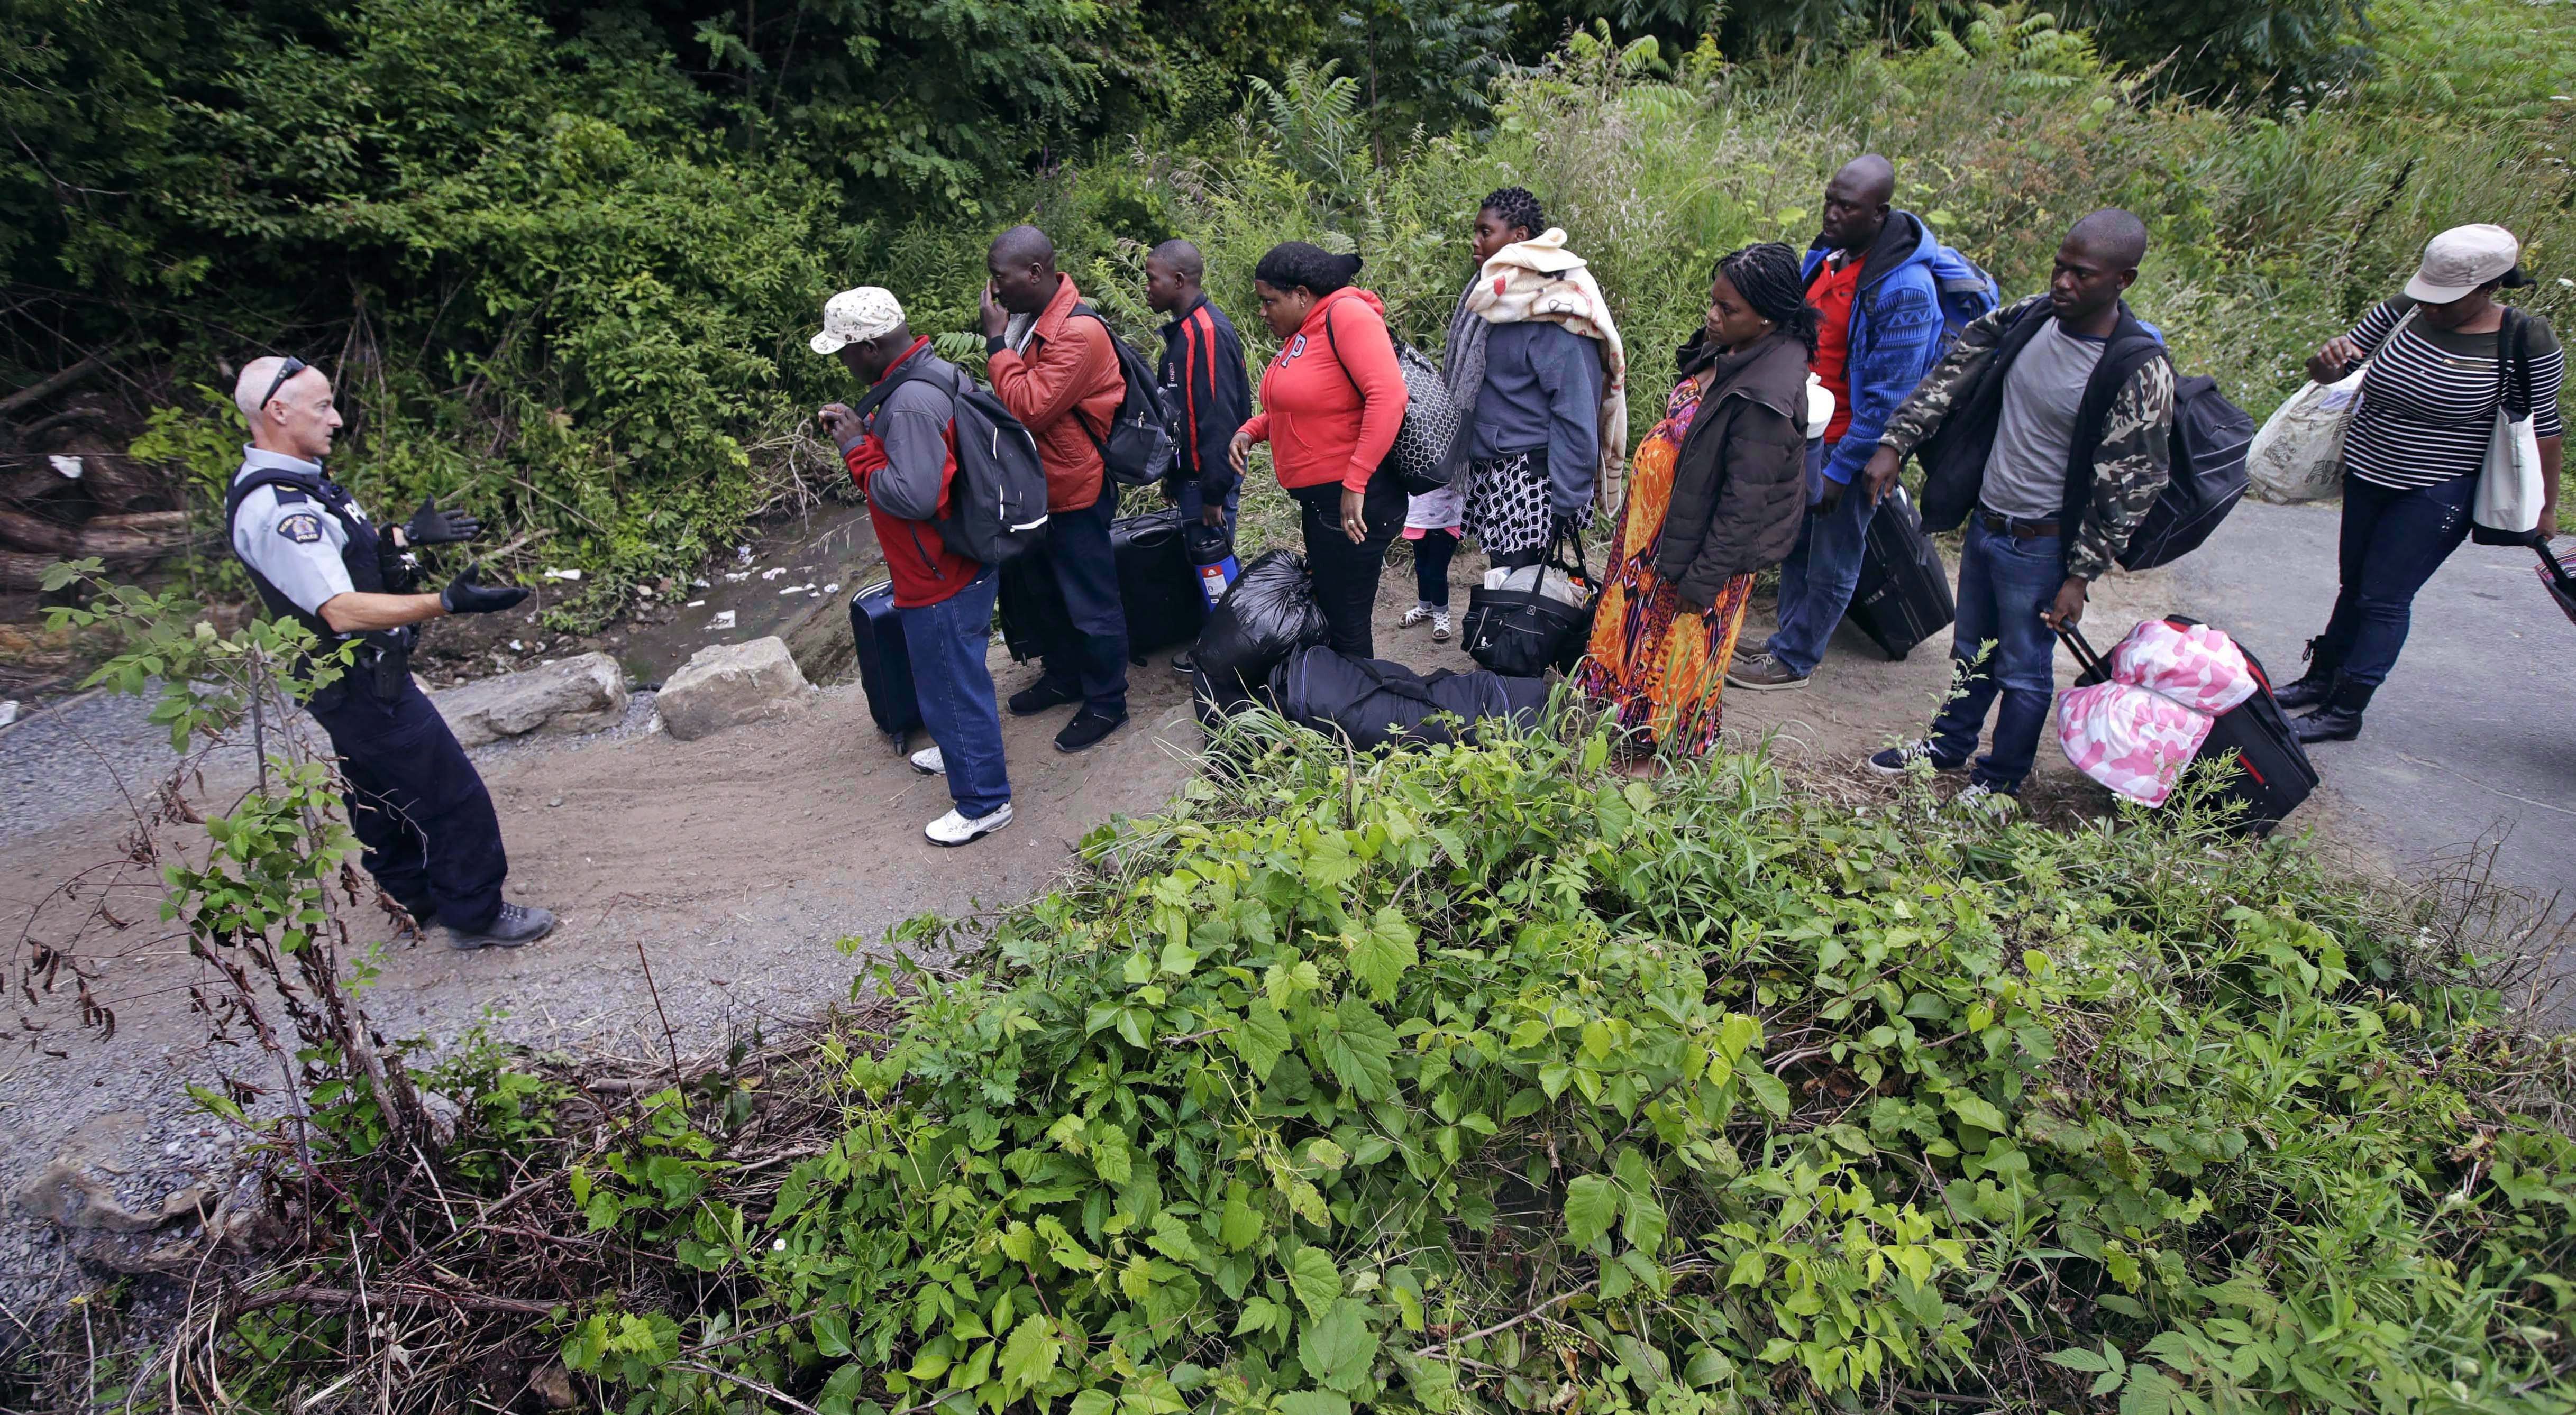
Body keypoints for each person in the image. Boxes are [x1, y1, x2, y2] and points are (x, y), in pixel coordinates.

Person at [222, 356, 556, 949]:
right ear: (278, 411)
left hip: (343, 681)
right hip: (359, 681)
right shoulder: (281, 508)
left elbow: (335, 559)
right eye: (322, 406)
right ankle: (475, 915)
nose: (337, 418)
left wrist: (401, 538)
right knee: (451, 793)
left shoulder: (297, 481)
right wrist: (447, 602)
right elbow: (339, 608)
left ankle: (418, 900)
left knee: (377, 793)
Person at [1858, 209, 2176, 810]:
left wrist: (2079, 576)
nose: (2063, 282)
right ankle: (1948, 747)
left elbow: (2132, 483)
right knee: (1971, 650)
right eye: (2060, 266)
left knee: (2025, 671)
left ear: (2122, 281)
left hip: (2044, 545)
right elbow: (1951, 372)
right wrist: (1895, 442)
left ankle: (2000, 779)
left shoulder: (2135, 368)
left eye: (2081, 274)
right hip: (1989, 522)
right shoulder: (2030, 319)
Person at [2272, 224, 2563, 743]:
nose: (2432, 308)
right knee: (2354, 584)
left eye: (2446, 301)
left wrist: (2544, 508)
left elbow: (2543, 427)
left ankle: (2346, 710)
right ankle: (2320, 680)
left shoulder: (2524, 338)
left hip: (2439, 488)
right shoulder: (2403, 308)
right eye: (2428, 295)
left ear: (2488, 287)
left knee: (2385, 597)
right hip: (2368, 470)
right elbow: (2333, 372)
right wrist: (2323, 365)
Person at [1574, 245, 1813, 761]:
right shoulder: (1730, 349)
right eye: (1714, 302)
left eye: (1728, 309)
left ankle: (1654, 760)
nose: (1712, 315)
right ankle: (1627, 725)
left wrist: (1701, 581)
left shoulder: (1766, 398)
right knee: (1644, 642)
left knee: (1676, 653)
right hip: (1661, 533)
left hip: (1700, 554)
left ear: (1768, 317)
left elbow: (1741, 507)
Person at [1732, 155, 1956, 692]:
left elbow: (1891, 397)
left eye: (1846, 206)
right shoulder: (1830, 255)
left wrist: (1846, 468)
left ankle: (1796, 660)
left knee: (1834, 553)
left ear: (1879, 212)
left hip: (1847, 444)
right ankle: (1787, 638)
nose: (1831, 212)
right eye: (1829, 199)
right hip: (1807, 432)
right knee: (1796, 542)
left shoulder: (1904, 290)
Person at [812, 288, 1013, 846]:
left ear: (871, 347)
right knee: (958, 674)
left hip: (939, 571)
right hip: (963, 557)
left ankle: (983, 802)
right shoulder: (933, 372)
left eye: (845, 352)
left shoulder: (908, 404)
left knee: (949, 684)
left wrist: (857, 448)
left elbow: (915, 496)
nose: (843, 363)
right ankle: (961, 754)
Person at [980, 224, 1131, 754]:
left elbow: (1031, 406)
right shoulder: (1033, 317)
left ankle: (1108, 701)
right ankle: (1065, 676)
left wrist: (996, 343)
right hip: (1041, 483)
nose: (993, 291)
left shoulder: (1075, 333)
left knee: (1090, 599)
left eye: (1000, 278)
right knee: (1047, 591)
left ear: (1035, 273)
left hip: (1078, 483)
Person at [1226, 242, 1408, 657]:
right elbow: (1303, 407)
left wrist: (1356, 479)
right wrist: (1251, 431)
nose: (1263, 311)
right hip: (1326, 502)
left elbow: (1389, 396)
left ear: (1302, 294)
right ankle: (1347, 701)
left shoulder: (1347, 316)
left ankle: (1362, 710)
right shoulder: (1304, 331)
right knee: (1333, 611)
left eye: (1270, 301)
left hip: (1355, 502)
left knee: (1347, 624)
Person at [1446, 187, 1620, 569]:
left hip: (1531, 479)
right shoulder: (1492, 301)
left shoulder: (1554, 310)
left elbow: (1576, 408)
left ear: (1519, 237)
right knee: (1510, 582)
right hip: (1497, 467)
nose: (1475, 242)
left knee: (1522, 593)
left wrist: (1569, 497)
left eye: (1485, 232)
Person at [1146, 238, 1251, 674]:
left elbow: (1219, 421)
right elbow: (1181, 414)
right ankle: (1224, 643)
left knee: (1216, 564)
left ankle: (1229, 657)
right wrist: (1174, 476)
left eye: (1152, 278)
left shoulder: (1204, 334)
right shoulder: (1185, 330)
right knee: (1209, 562)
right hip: (1193, 477)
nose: (1147, 287)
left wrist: (1212, 490)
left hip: (1209, 480)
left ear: (1179, 280)